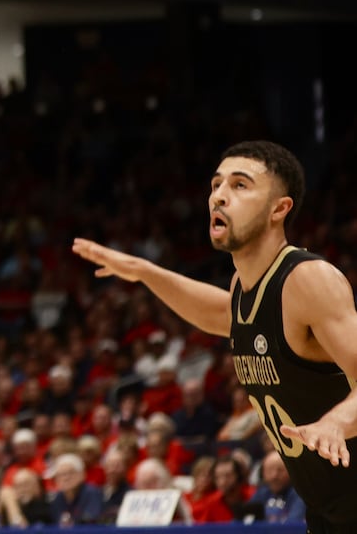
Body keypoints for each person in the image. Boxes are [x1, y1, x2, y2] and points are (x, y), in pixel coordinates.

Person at [74, 140, 357, 528]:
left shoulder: (307, 279)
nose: (219, 197)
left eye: (240, 185)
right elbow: (222, 313)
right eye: (216, 185)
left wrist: (337, 423)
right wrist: (143, 272)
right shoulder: (246, 286)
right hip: (329, 510)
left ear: (280, 208)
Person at [249, 451, 307, 526]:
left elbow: (293, 525)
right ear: (263, 473)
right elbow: (246, 521)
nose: (274, 475)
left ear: (290, 471)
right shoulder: (262, 492)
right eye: (269, 471)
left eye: (280, 470)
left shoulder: (299, 493)